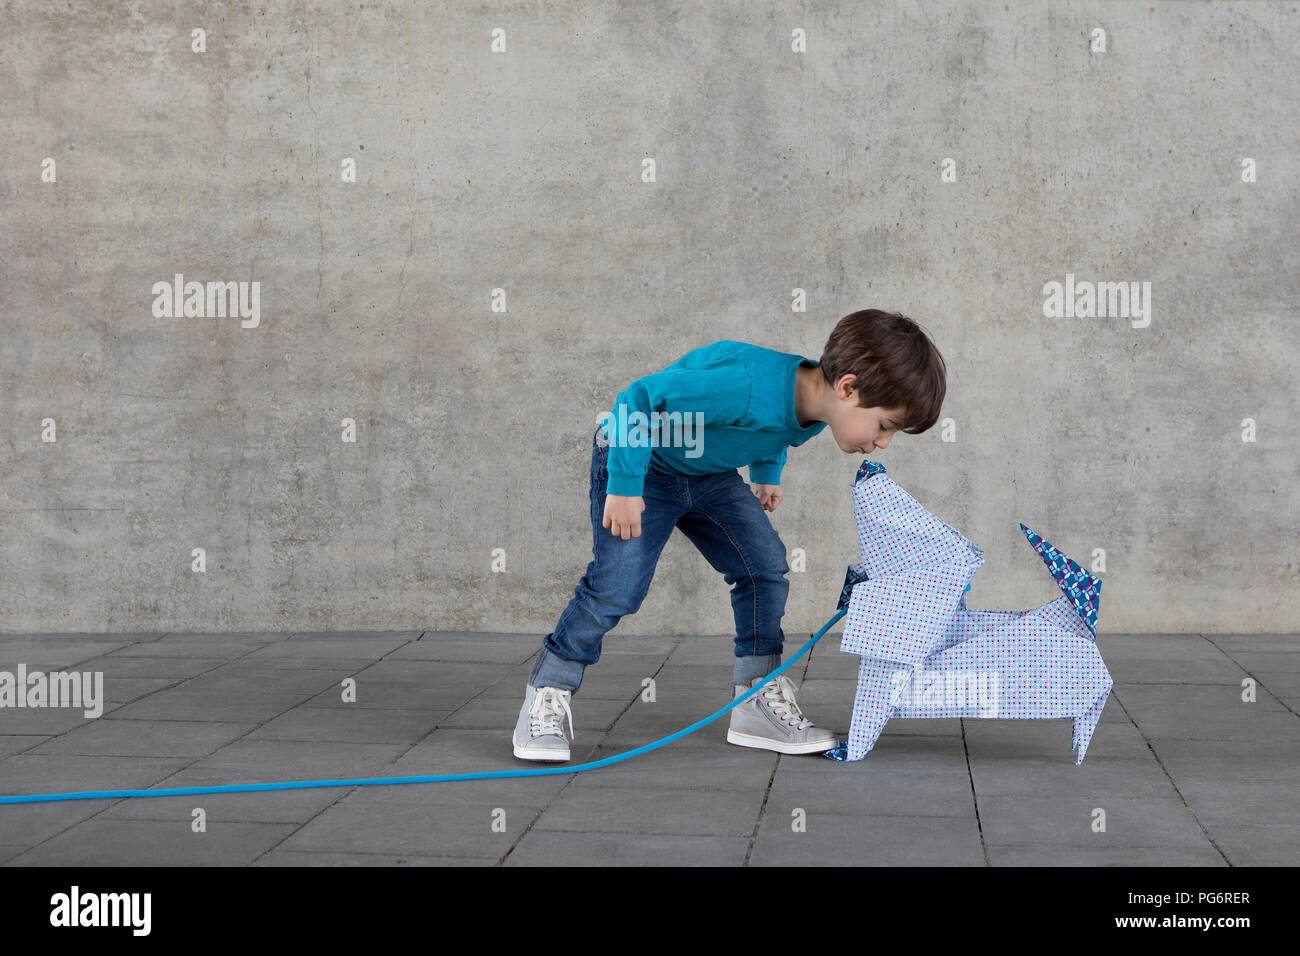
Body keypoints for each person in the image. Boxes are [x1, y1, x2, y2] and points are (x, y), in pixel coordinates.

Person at [512, 309, 948, 761]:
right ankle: (547, 692)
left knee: (763, 565)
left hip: (706, 473)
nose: (883, 444)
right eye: (884, 426)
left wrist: (767, 473)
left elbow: (773, 430)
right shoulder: (745, 385)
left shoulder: (816, 407)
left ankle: (755, 702)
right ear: (848, 387)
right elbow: (638, 399)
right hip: (640, 462)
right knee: (617, 587)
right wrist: (624, 485)